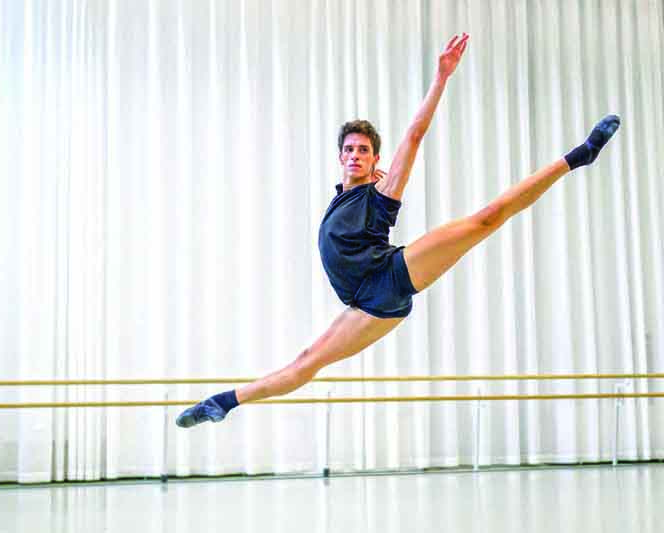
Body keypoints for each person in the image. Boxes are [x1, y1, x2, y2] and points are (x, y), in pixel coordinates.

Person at [176, 33, 620, 428]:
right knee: (305, 363)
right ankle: (223, 402)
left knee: (487, 217)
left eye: (363, 150)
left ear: (373, 161)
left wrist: (442, 77)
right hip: (366, 305)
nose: (355, 155)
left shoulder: (379, 194)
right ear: (339, 157)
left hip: (393, 273)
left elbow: (414, 134)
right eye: (348, 149)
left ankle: (580, 154)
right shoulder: (339, 199)